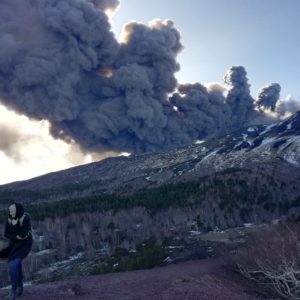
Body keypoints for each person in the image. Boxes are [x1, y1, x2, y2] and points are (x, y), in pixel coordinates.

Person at [0, 203, 33, 300]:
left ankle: (13, 292)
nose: (10, 212)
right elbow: (6, 234)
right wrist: (15, 236)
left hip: (25, 244)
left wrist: (15, 229)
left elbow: (23, 235)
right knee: (16, 264)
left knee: (13, 264)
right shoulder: (9, 219)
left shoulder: (25, 218)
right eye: (10, 210)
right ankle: (20, 288)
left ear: (18, 210)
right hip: (14, 244)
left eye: (12, 210)